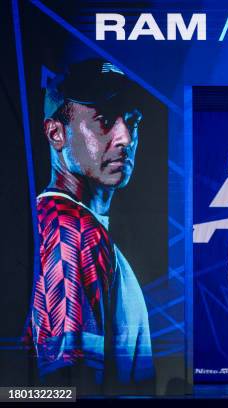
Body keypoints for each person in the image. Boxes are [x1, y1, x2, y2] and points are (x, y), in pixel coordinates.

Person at [24, 59, 153, 392]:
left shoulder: (76, 226)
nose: (124, 136)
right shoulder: (74, 230)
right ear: (56, 133)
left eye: (132, 121)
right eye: (105, 120)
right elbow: (68, 386)